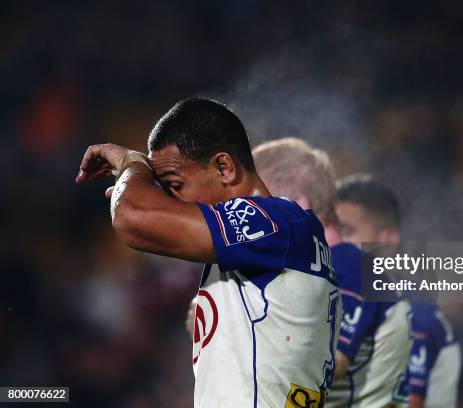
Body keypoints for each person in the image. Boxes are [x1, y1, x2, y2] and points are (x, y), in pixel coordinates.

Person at [76, 98, 341, 408]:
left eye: (175, 184)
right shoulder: (275, 240)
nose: (172, 198)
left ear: (224, 168)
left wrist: (133, 165)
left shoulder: (272, 223)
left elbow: (131, 218)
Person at [252, 138, 411, 408]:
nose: (240, 217)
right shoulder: (294, 274)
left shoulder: (351, 266)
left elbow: (329, 365)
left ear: (297, 205)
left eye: (253, 202)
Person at [335, 174, 461, 408]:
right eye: (331, 229)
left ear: (387, 240)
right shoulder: (334, 294)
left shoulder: (418, 317)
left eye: (347, 231)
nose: (335, 241)